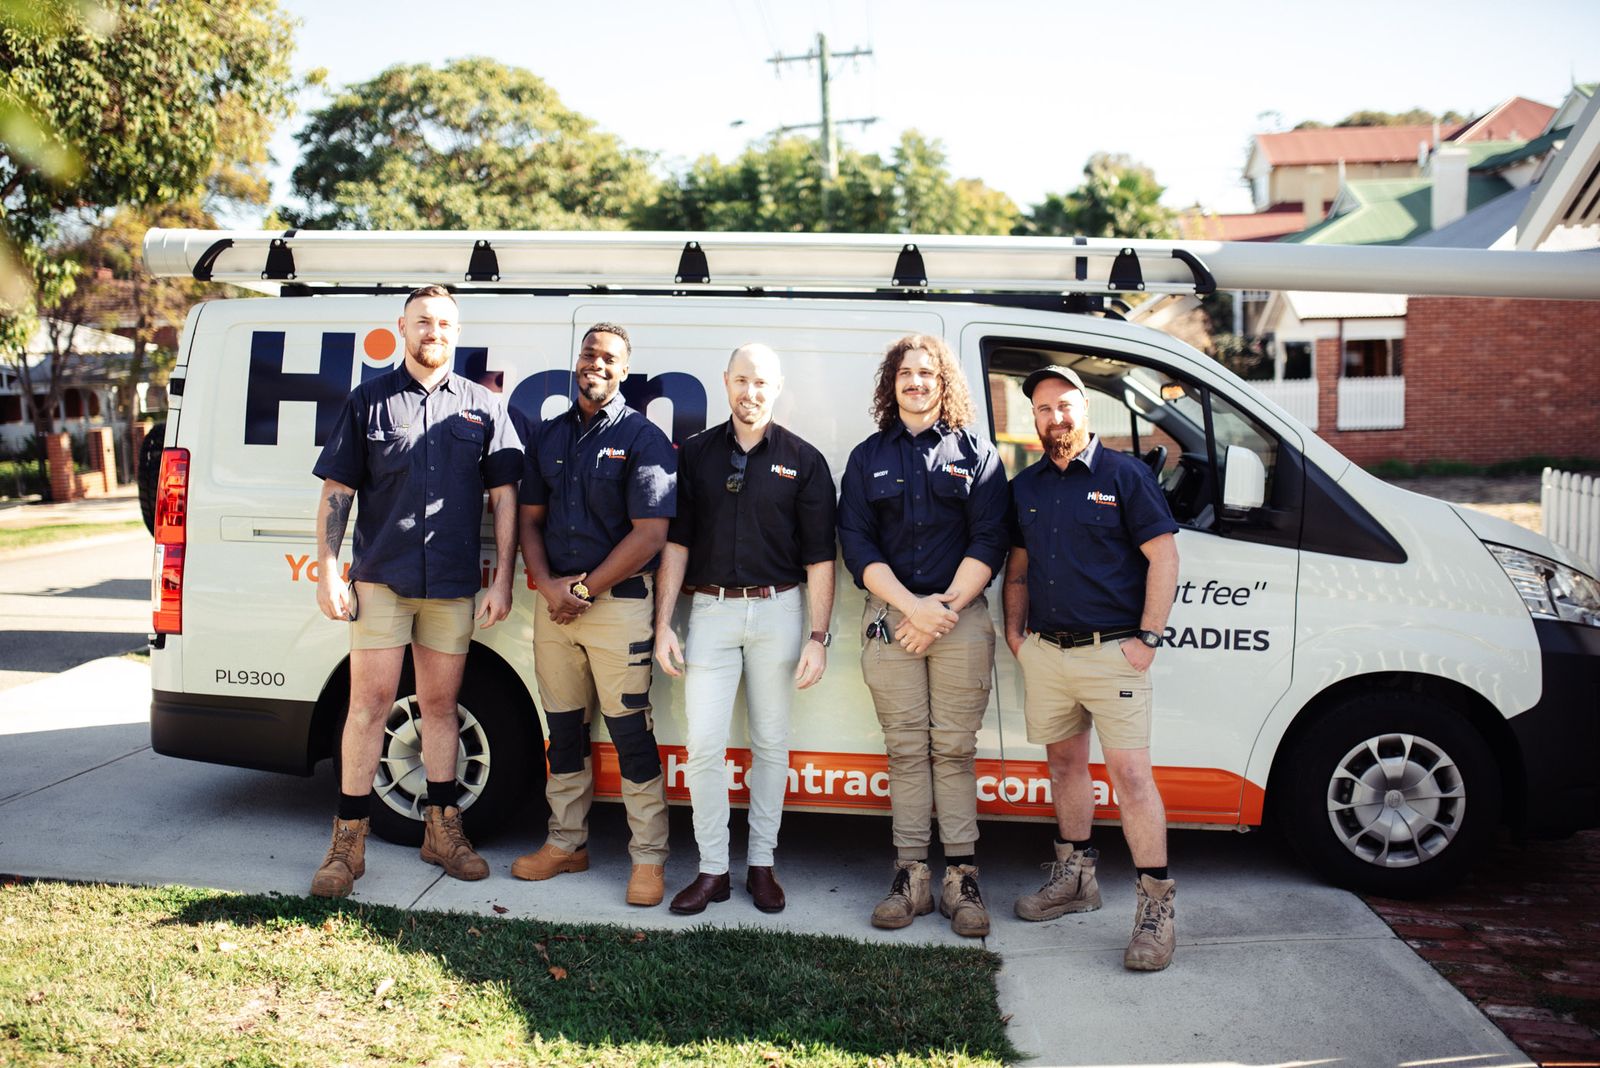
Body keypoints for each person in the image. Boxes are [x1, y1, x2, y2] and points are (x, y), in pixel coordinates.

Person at [309, 284, 522, 897]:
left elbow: (504, 497)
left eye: (445, 323)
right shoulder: (368, 402)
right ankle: (347, 843)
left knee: (439, 708)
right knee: (369, 706)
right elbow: (337, 492)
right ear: (402, 327)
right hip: (381, 580)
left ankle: (442, 829)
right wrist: (328, 569)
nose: (435, 332)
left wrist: (502, 577)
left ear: (458, 333)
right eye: (423, 321)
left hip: (452, 587)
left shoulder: (485, 408)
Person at [1003, 366, 1181, 971]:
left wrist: (1148, 639)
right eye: (1044, 408)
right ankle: (1076, 880)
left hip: (1115, 654)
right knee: (1064, 765)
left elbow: (1164, 557)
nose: (1055, 417)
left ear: (1085, 409)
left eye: (1065, 405)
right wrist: (1015, 633)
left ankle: (1156, 912)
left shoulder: (1124, 476)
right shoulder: (1025, 486)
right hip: (1048, 653)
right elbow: (1018, 568)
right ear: (1035, 418)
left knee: (1131, 778)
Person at [654, 343, 837, 915]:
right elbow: (676, 544)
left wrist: (818, 636)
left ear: (776, 387)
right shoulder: (698, 454)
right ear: (726, 383)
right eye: (740, 381)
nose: (749, 393)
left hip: (779, 612)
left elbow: (820, 561)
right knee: (704, 746)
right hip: (710, 612)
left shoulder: (803, 461)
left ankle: (762, 864)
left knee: (771, 744)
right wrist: (664, 624)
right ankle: (712, 871)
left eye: (760, 383)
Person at [836, 334, 1009, 937]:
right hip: (891, 621)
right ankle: (910, 876)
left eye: (927, 372)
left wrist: (942, 610)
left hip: (960, 623)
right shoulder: (866, 457)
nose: (916, 382)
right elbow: (856, 546)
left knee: (955, 751)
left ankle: (962, 877)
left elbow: (990, 538)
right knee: (906, 750)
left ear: (944, 382)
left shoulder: (977, 452)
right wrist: (913, 608)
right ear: (893, 383)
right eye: (905, 372)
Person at [511, 322, 676, 907]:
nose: (597, 365)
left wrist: (583, 589)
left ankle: (648, 858)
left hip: (617, 606)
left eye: (610, 359)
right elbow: (529, 520)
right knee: (564, 732)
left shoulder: (642, 438)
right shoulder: (549, 434)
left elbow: (651, 532)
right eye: (589, 354)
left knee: (631, 733)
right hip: (553, 606)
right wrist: (546, 584)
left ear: (624, 371)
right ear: (576, 361)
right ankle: (566, 844)